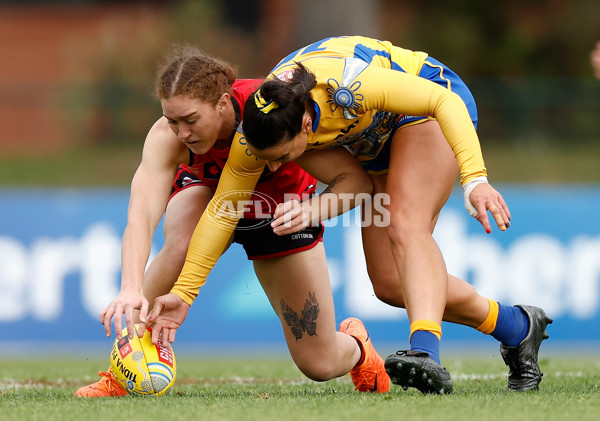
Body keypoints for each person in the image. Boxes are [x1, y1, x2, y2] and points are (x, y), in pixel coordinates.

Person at [142, 36, 552, 395]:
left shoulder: (349, 87)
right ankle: (517, 327)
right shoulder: (263, 129)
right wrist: (185, 294)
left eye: (282, 159)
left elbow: (441, 101)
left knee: (404, 225)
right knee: (391, 283)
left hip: (426, 109)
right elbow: (221, 212)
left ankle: (425, 351)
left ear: (306, 127)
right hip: (371, 142)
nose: (271, 169)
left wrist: (475, 179)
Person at [74, 45, 390, 397]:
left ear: (223, 103)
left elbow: (356, 181)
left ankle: (359, 347)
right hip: (206, 196)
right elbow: (140, 216)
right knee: (182, 242)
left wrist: (313, 209)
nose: (181, 133)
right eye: (171, 120)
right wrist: (130, 287)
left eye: (190, 120)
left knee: (320, 364)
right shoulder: (167, 138)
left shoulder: (275, 111)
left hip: (280, 214)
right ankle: (124, 373)